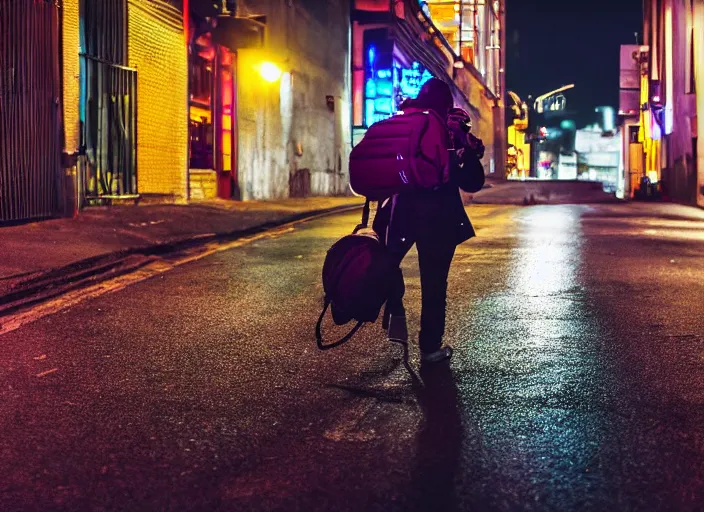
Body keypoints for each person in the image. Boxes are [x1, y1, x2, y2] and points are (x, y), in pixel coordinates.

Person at [373, 78, 486, 364]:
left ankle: (396, 315)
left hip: (401, 215)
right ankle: (430, 348)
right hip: (439, 220)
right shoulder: (446, 134)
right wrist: (466, 149)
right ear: (446, 106)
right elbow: (472, 182)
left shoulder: (407, 126)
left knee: (388, 266)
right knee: (434, 285)